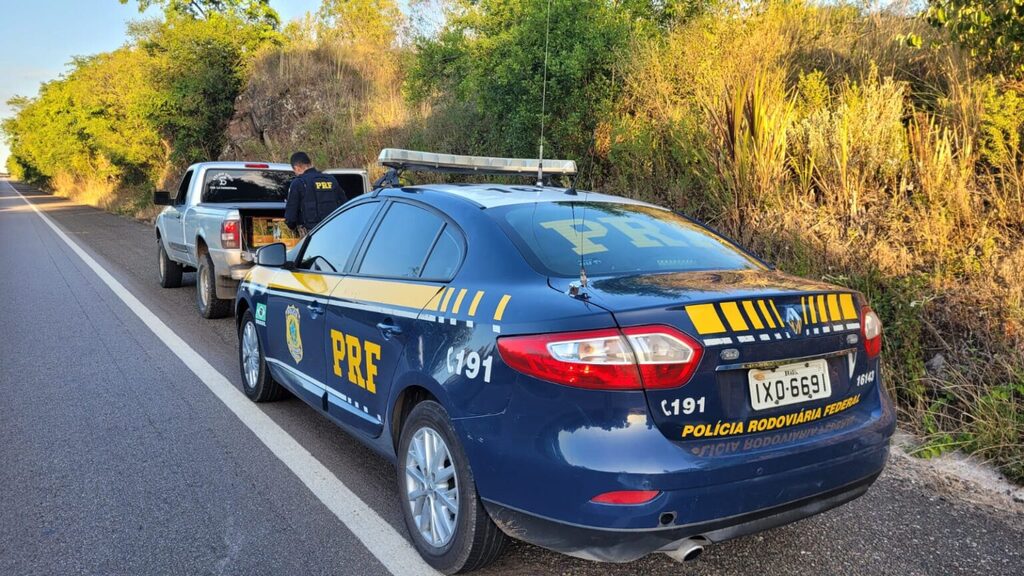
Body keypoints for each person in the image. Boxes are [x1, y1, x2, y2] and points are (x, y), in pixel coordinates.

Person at [284, 151, 352, 235]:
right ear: (310, 163)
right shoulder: (331, 179)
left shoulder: (298, 183)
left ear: (297, 168)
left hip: (311, 235)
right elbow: (345, 205)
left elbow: (290, 217)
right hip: (334, 232)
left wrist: (293, 228)